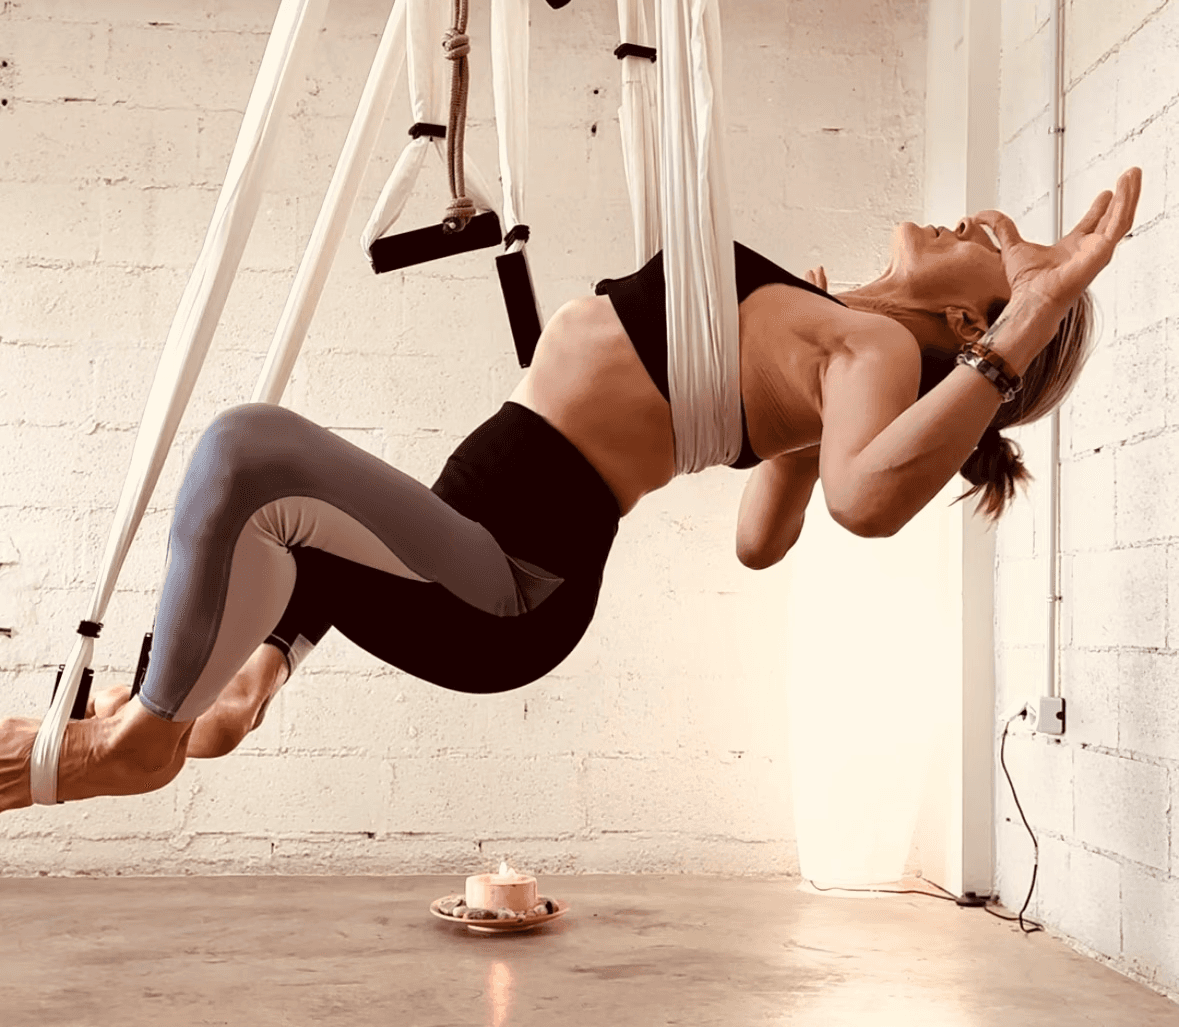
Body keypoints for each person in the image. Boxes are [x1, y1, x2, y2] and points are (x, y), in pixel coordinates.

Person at [0, 168, 1142, 812]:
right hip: (471, 539)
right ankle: (229, 693)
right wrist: (793, 439)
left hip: (512, 579)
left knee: (250, 453)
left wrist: (1035, 320)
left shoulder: (879, 355)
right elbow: (760, 541)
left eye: (1006, 245)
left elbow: (864, 503)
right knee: (282, 540)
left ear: (973, 321)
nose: (980, 220)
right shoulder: (847, 336)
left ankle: (141, 737)